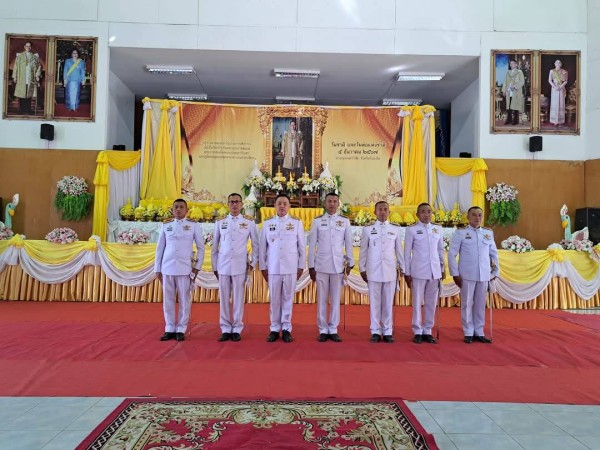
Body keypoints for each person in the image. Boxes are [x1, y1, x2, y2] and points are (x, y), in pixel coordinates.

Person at [154, 199, 204, 342]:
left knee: (184, 300)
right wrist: (157, 268)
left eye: (181, 207)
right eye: (176, 207)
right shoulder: (166, 225)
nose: (178, 209)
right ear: (172, 209)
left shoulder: (193, 225)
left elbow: (200, 248)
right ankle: (169, 328)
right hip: (167, 267)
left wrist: (197, 267)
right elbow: (160, 248)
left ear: (187, 210)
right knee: (168, 300)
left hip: (185, 268)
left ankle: (181, 328)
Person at [448, 206, 499, 344]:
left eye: (480, 215)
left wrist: (495, 271)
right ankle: (468, 332)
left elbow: (494, 254)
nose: (477, 217)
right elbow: (452, 254)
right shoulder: (461, 233)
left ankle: (479, 331)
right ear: (468, 217)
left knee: (480, 304)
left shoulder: (488, 233)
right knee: (467, 304)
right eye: (474, 215)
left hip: (484, 274)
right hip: (467, 274)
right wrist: (455, 274)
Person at [308, 193, 355, 342]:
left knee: (335, 299)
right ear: (324, 203)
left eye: (335, 201)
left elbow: (348, 243)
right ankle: (323, 329)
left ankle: (333, 328)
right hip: (321, 265)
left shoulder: (344, 221)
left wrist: (350, 263)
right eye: (329, 201)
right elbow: (312, 245)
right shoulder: (317, 221)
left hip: (338, 266)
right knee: (322, 299)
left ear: (338, 203)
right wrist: (311, 266)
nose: (332, 204)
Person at [212, 193, 258, 342]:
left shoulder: (249, 222)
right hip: (223, 265)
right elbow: (214, 247)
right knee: (224, 298)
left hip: (240, 265)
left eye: (237, 202)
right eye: (231, 202)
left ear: (242, 204)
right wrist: (214, 266)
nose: (234, 205)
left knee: (238, 298)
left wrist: (252, 263)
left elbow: (255, 245)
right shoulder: (220, 222)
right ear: (227, 204)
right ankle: (225, 328)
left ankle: (237, 327)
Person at [260, 194, 305, 343]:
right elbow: (262, 248)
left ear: (289, 206)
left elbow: (301, 247)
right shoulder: (267, 223)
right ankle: (274, 328)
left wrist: (301, 266)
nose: (282, 206)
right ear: (275, 206)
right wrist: (263, 266)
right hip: (273, 267)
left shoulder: (296, 223)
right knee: (274, 299)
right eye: (279, 203)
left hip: (291, 267)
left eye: (285, 203)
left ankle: (286, 328)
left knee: (288, 298)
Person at [359, 201, 403, 343]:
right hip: (373, 271)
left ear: (389, 212)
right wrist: (362, 268)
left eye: (385, 209)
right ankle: (376, 331)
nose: (383, 212)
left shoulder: (395, 229)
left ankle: (388, 331)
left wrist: (403, 268)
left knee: (388, 303)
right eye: (380, 209)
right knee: (375, 302)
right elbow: (363, 251)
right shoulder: (368, 229)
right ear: (375, 212)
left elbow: (399, 251)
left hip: (390, 271)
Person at [403, 203, 444, 344]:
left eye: (429, 212)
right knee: (417, 302)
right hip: (418, 271)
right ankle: (417, 330)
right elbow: (407, 253)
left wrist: (442, 268)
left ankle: (427, 330)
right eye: (423, 212)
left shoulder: (438, 229)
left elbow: (440, 250)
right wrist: (407, 272)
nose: (426, 214)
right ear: (417, 214)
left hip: (434, 271)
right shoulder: (412, 230)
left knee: (431, 303)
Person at [12, 41, 41, 115]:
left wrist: (37, 75)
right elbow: (15, 67)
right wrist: (14, 76)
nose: (28, 47)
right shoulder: (19, 56)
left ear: (31, 47)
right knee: (22, 94)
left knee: (29, 94)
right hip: (21, 78)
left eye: (29, 46)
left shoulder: (35, 57)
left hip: (30, 78)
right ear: (24, 47)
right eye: (27, 46)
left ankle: (28, 110)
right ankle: (22, 110)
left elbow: (39, 66)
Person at [501, 60, 524, 126]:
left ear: (516, 64)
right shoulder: (508, 72)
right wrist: (504, 90)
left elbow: (522, 81)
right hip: (509, 91)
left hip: (516, 91)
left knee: (515, 106)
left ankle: (516, 120)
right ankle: (509, 119)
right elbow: (505, 81)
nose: (511, 65)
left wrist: (515, 86)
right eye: (510, 64)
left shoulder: (519, 72)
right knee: (508, 106)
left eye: (513, 63)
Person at [548, 59, 568, 126]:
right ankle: (554, 121)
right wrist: (554, 86)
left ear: (561, 64)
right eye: (556, 63)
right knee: (554, 103)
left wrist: (560, 86)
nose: (558, 64)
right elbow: (550, 80)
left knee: (561, 103)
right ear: (554, 64)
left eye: (559, 63)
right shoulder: (552, 71)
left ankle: (560, 121)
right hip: (554, 89)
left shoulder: (564, 71)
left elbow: (566, 81)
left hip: (561, 88)